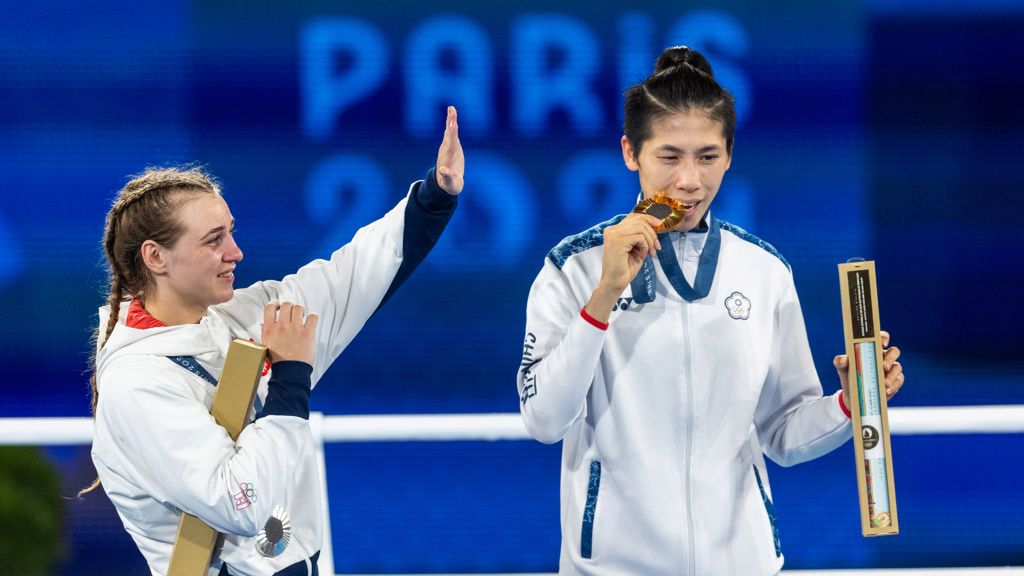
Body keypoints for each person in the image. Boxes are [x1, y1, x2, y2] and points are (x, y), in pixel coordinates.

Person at [516, 48, 905, 575]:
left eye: (707, 156)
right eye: (669, 156)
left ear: (729, 155)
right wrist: (604, 296)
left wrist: (851, 403)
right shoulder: (573, 267)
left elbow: (784, 434)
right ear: (631, 152)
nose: (690, 181)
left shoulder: (764, 271)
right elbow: (544, 420)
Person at [87, 107, 464, 575]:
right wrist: (290, 377)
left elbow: (354, 276)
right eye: (213, 240)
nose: (235, 252)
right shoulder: (135, 384)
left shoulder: (245, 313)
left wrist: (434, 195)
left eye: (232, 232)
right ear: (156, 257)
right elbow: (240, 505)